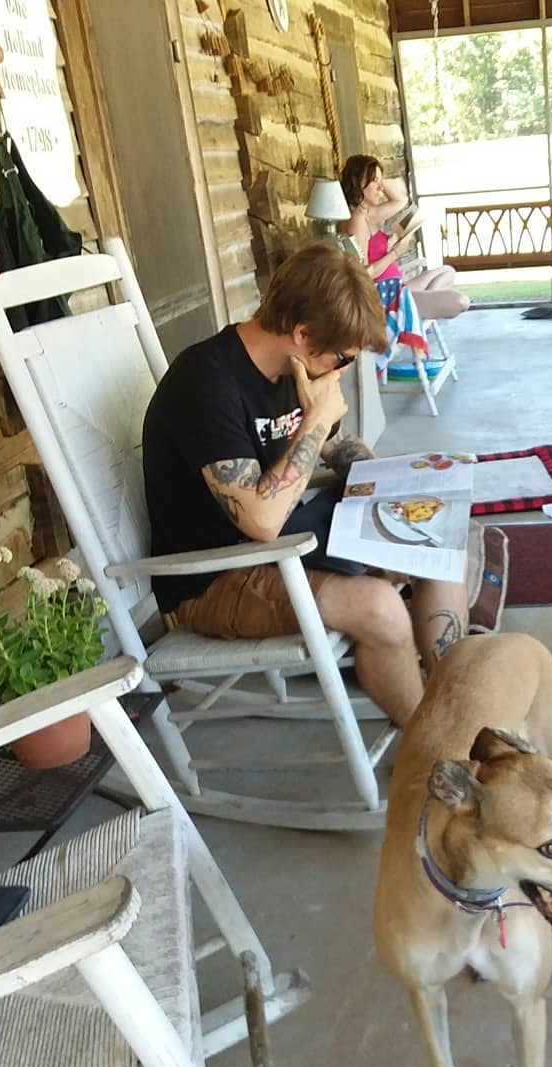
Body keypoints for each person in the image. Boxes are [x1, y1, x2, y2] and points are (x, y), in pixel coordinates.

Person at [142, 242, 469, 730]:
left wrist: (401, 490)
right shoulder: (206, 384)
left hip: (287, 545)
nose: (342, 371)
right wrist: (314, 422)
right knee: (379, 610)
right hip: (213, 577)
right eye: (341, 358)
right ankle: (434, 746)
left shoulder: (291, 367)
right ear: (302, 333)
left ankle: (459, 714)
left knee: (435, 539)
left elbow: (338, 449)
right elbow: (263, 520)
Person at [338, 155, 470, 327]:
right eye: (374, 182)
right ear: (358, 183)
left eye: (381, 181)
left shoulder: (369, 214)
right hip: (384, 295)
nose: (380, 187)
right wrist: (395, 253)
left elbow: (401, 200)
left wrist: (377, 182)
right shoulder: (357, 220)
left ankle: (412, 317)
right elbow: (363, 274)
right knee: (461, 301)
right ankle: (412, 318)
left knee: (447, 272)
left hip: (398, 286)